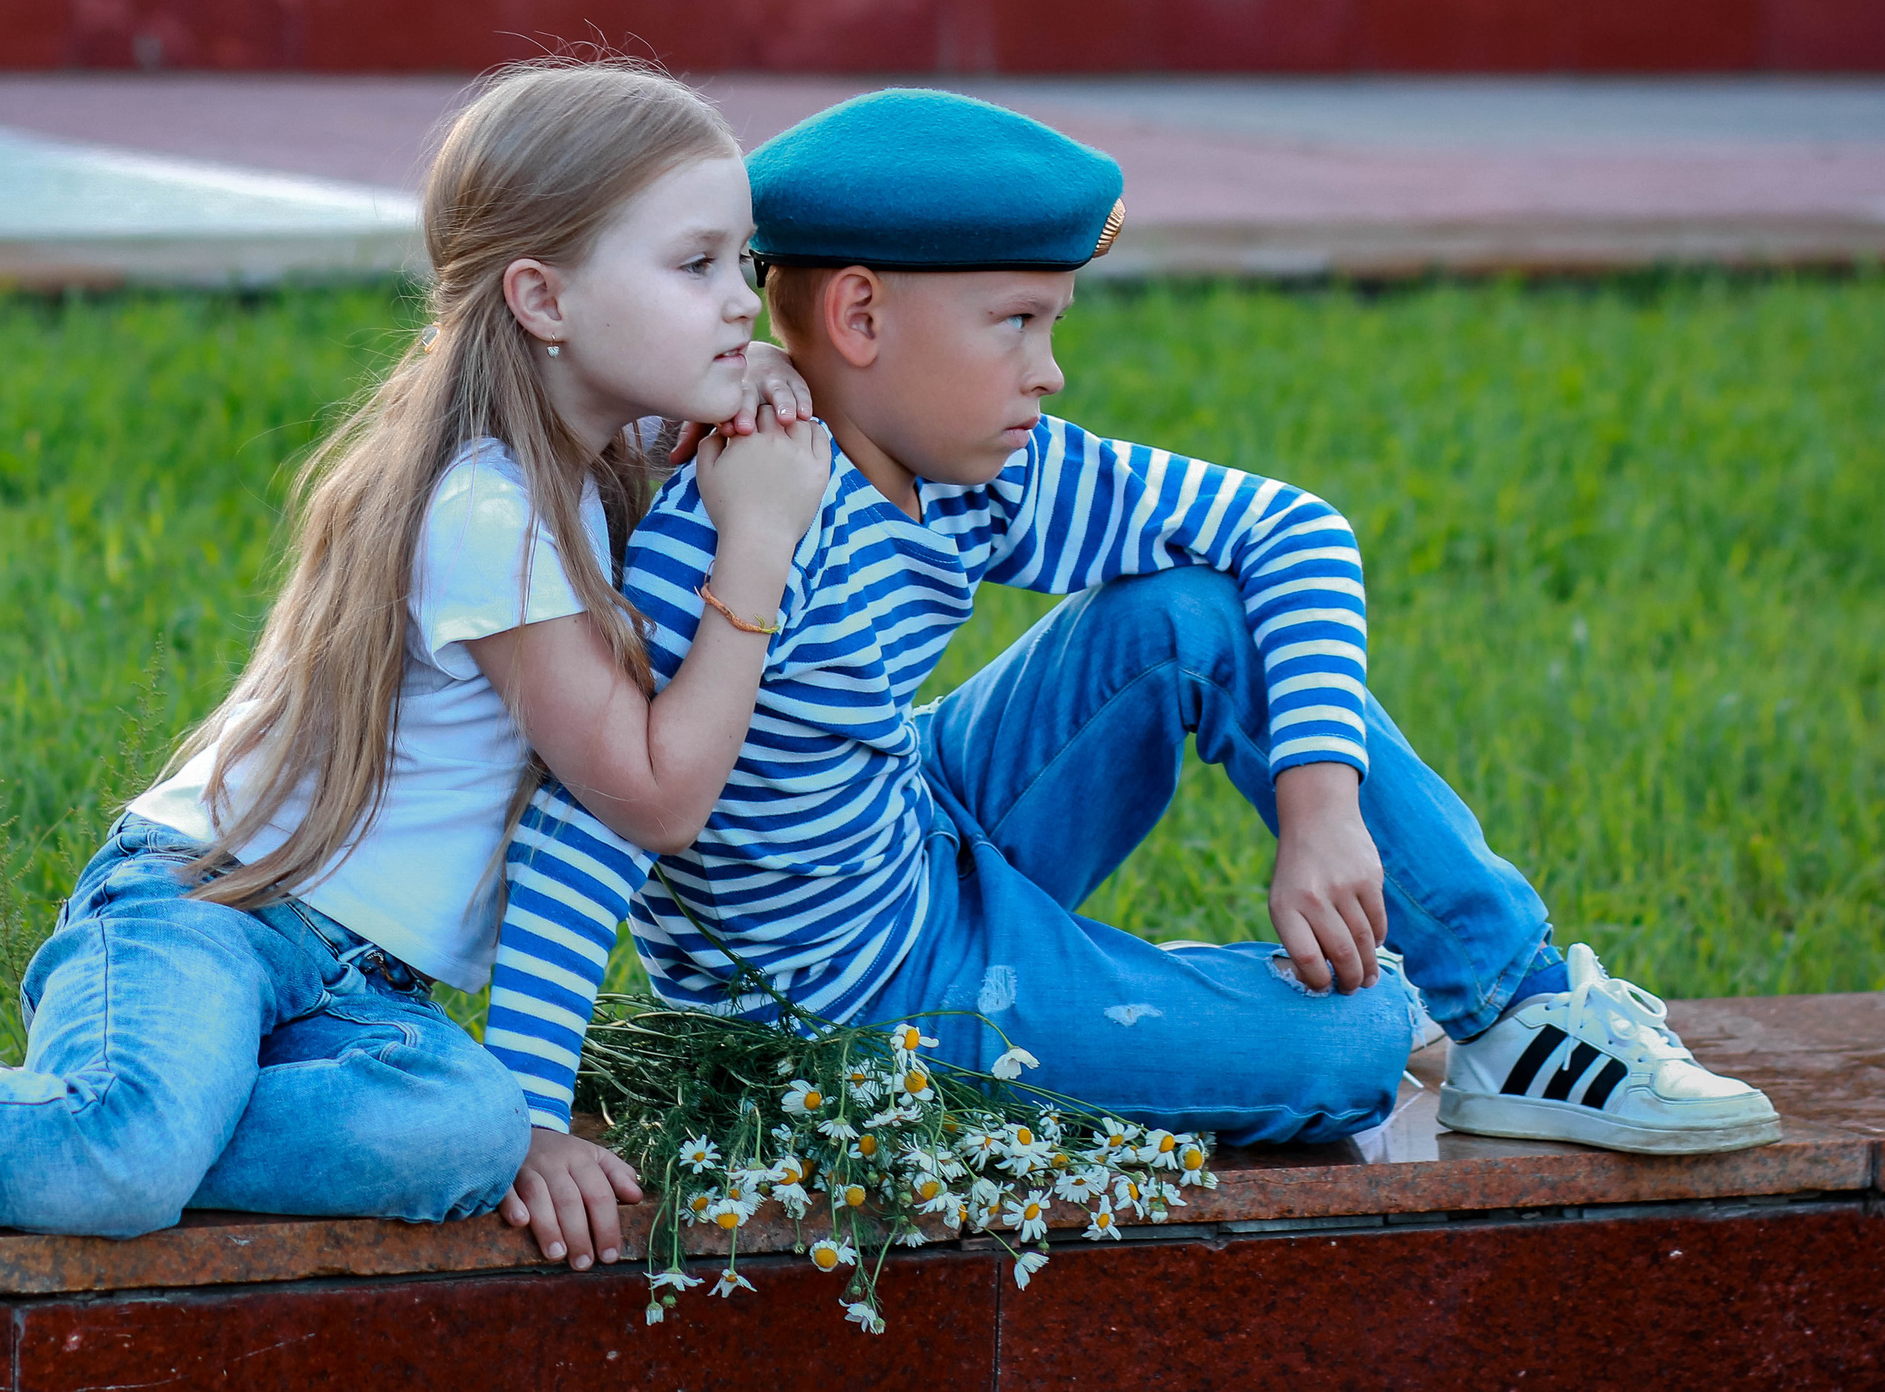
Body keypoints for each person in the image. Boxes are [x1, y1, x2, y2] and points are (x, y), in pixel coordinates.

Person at [0, 60, 831, 1246]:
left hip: (367, 991)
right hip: (207, 910)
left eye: (747, 264)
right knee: (121, 1164)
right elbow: (654, 792)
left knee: (465, 1135)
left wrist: (757, 397)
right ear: (541, 297)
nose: (741, 302)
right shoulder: (491, 511)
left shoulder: (589, 472)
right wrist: (755, 551)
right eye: (699, 264)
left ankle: (6, 1114)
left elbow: (722, 434)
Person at [486, 88, 1781, 1271]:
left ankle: (1518, 1006)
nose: (1049, 370)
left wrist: (1321, 808)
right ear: (862, 317)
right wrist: (535, 1118)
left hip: (919, 820)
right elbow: (590, 816)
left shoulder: (968, 459)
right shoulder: (734, 516)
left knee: (1191, 611)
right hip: (860, 1007)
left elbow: (1294, 530)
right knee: (1354, 1042)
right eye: (1019, 323)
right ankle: (1253, 1007)